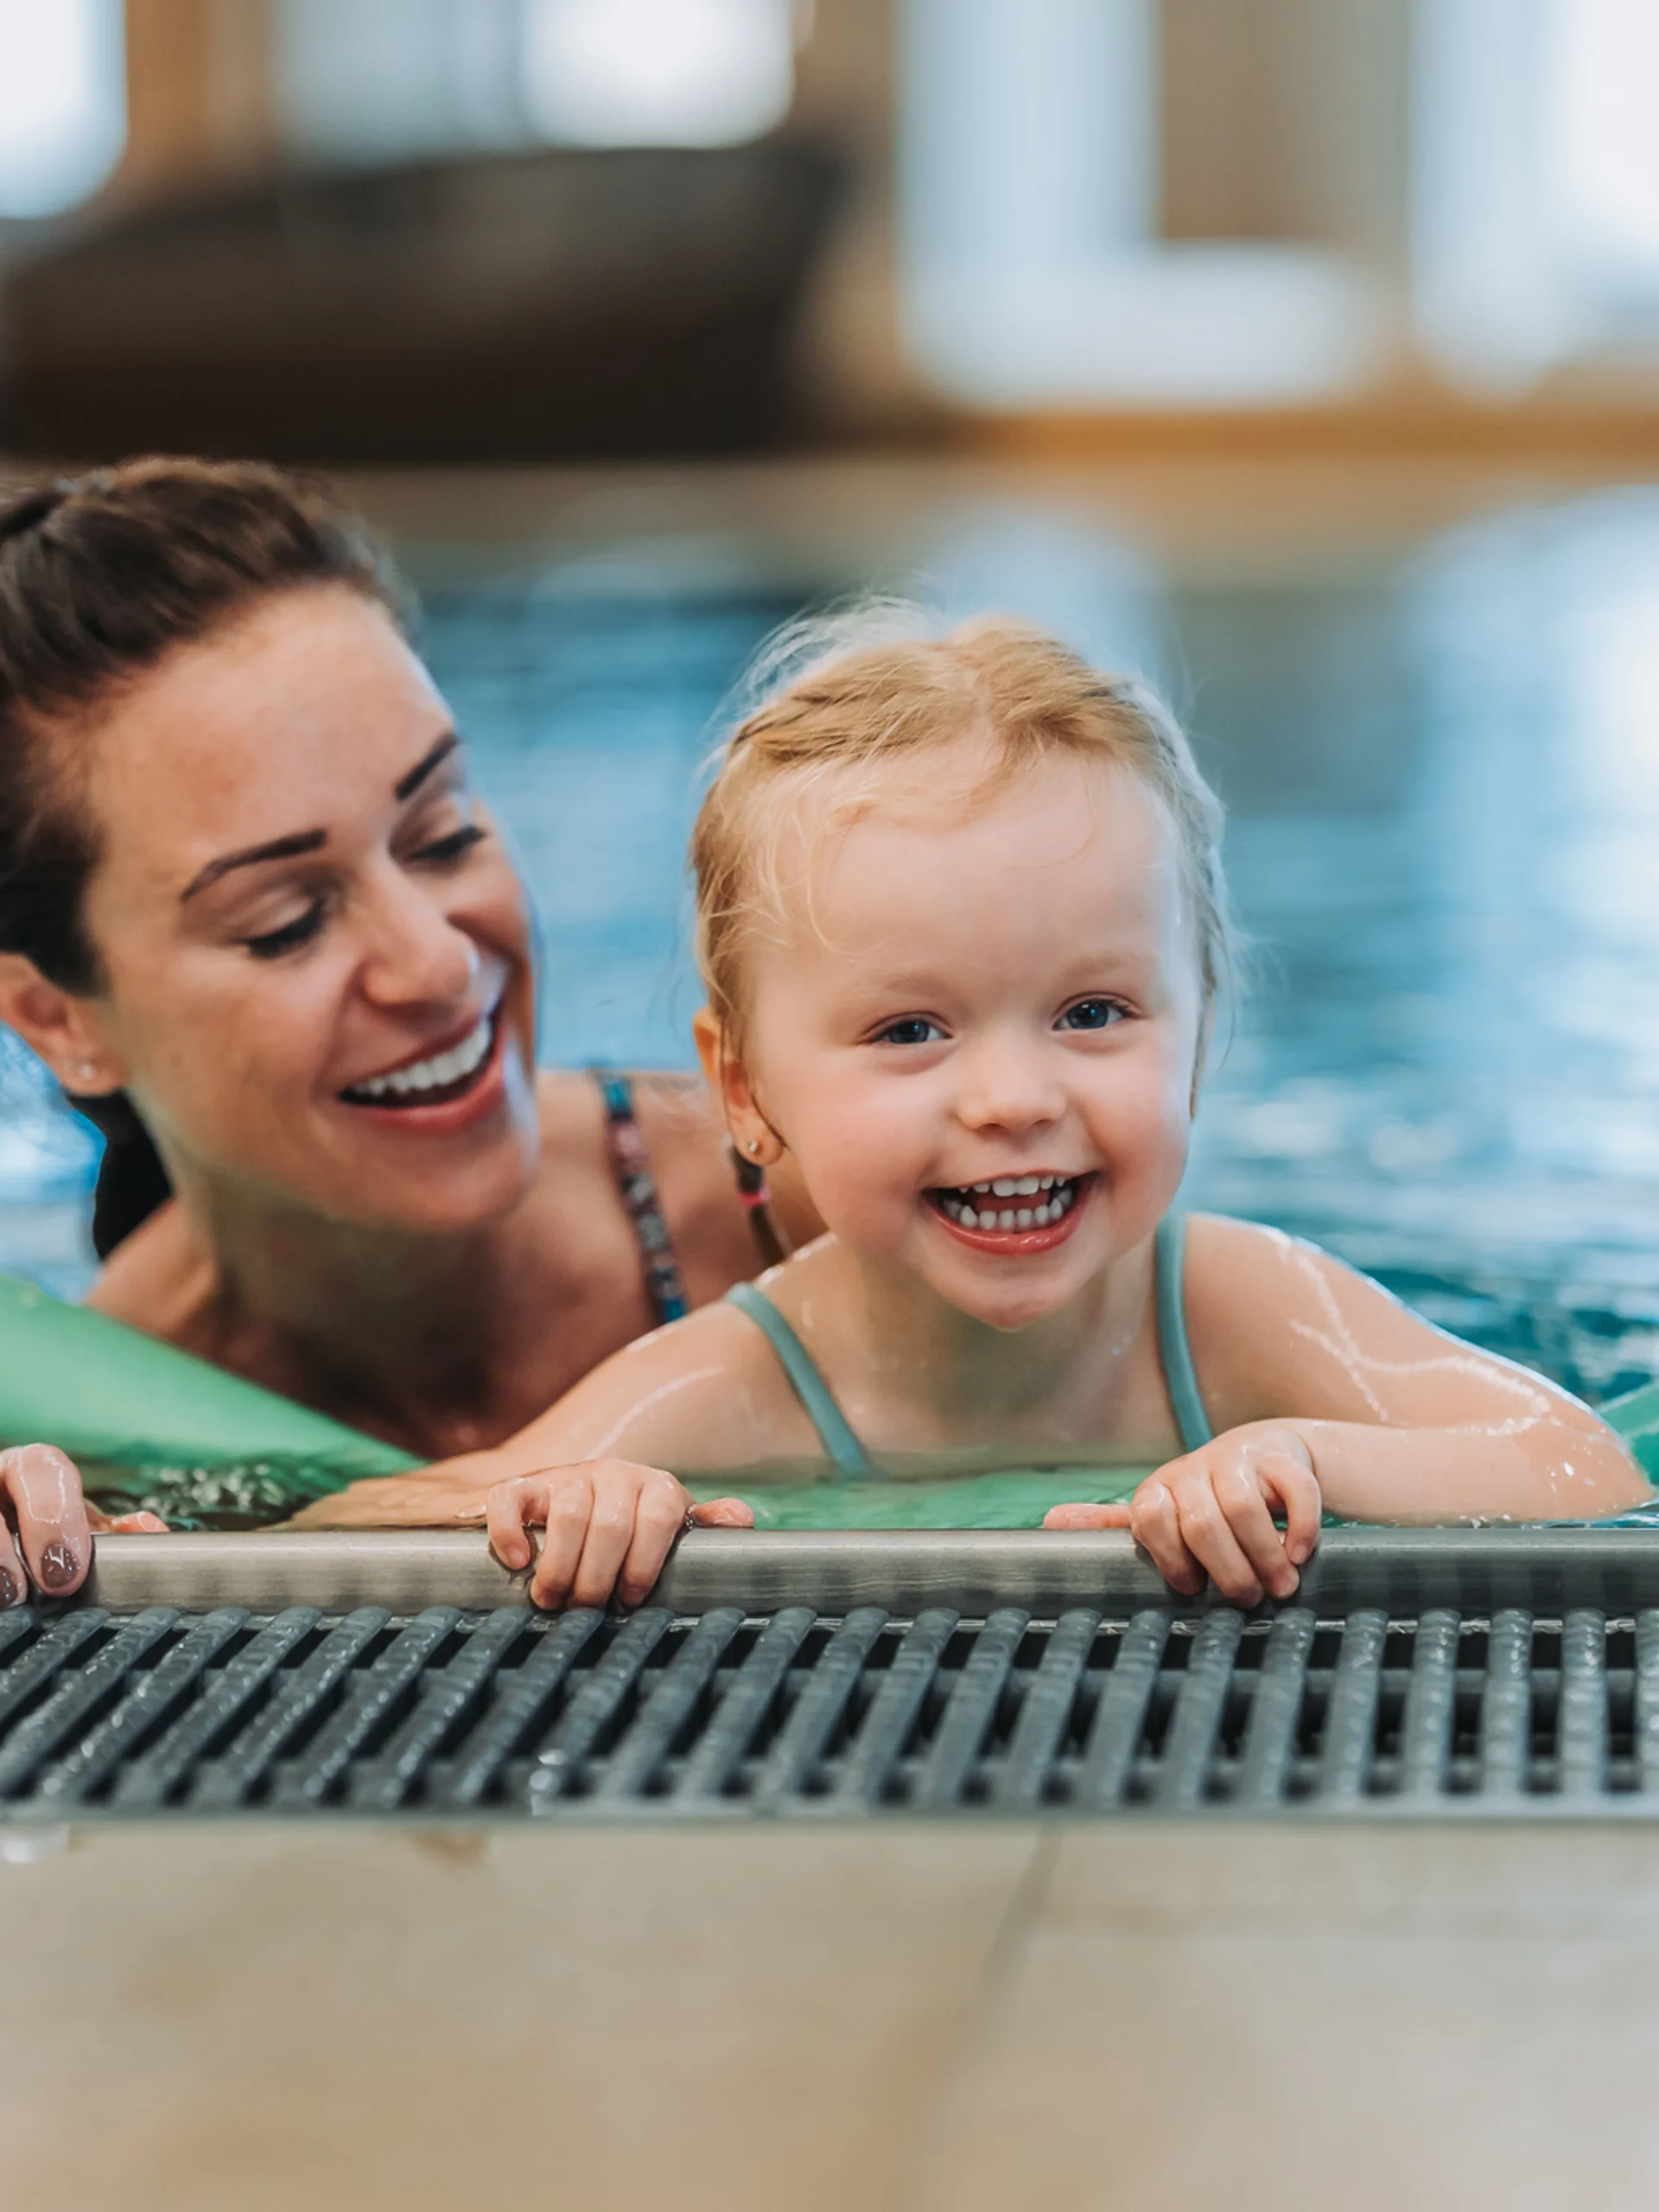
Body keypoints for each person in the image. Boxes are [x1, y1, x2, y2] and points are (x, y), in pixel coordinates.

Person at [314, 611, 1651, 1605]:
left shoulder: (1239, 1308)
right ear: (745, 1092)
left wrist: (1300, 1452)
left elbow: (1587, 1472)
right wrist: (570, 1498)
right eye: (910, 1031)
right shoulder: (736, 1381)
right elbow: (357, 1526)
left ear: (1196, 1037)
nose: (1014, 1099)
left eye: (1092, 1014)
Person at [0, 458, 810, 1604]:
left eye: (442, 835)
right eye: (284, 923)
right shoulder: (92, 1438)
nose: (436, 960)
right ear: (58, 1020)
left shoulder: (805, 1211)